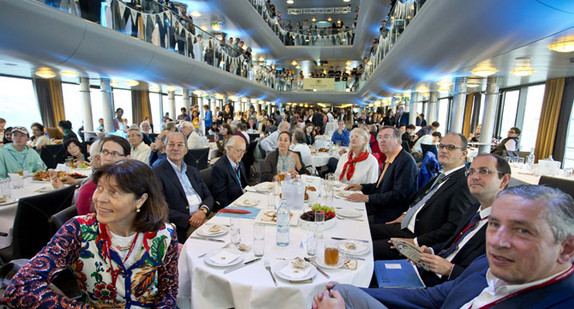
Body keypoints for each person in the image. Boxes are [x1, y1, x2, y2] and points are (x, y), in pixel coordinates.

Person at [316, 185, 574, 309]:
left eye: (522, 230)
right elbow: (431, 297)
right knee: (334, 292)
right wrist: (351, 290)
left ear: (566, 248)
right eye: (494, 224)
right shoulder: (488, 264)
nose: (497, 241)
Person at [1, 160, 179, 308]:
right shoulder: (78, 230)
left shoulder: (164, 234)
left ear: (141, 199)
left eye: (115, 192)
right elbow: (20, 286)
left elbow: (168, 291)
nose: (100, 198)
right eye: (99, 188)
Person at [369, 133, 477, 260]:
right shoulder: (441, 176)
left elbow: (453, 228)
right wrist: (406, 214)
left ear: (464, 154)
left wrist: (415, 242)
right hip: (405, 226)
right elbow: (419, 200)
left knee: (367, 249)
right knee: (362, 231)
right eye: (441, 146)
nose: (444, 150)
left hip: (420, 240)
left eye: (451, 147)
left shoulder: (463, 184)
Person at [412, 154, 511, 286]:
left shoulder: (506, 228)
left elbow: (490, 281)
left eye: (484, 171)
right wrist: (430, 251)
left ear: (504, 180)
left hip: (450, 286)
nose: (475, 177)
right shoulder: (474, 208)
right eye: (471, 172)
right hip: (428, 272)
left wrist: (450, 270)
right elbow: (454, 244)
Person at [345, 126, 417, 223]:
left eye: (386, 137)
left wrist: (367, 198)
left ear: (398, 141)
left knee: (350, 221)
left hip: (390, 215)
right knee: (345, 207)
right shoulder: (390, 158)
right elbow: (380, 186)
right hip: (380, 207)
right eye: (379, 137)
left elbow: (398, 196)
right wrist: (362, 187)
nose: (382, 141)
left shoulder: (405, 161)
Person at [153, 132, 213, 242]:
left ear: (186, 149)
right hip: (184, 224)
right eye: (171, 145)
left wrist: (203, 211)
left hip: (203, 214)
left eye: (180, 145)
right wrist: (192, 220)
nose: (175, 148)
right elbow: (160, 207)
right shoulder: (157, 173)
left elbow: (208, 195)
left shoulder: (193, 171)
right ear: (165, 148)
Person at [75, 135, 131, 215]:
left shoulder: (132, 182)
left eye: (114, 154)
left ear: (127, 158)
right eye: (105, 152)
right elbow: (89, 224)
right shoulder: (88, 190)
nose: (108, 158)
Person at [211, 136, 248, 211]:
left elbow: (244, 185)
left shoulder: (239, 162)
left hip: (243, 200)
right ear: (228, 148)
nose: (241, 154)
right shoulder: (219, 168)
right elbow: (221, 199)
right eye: (238, 150)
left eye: (243, 151)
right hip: (231, 206)